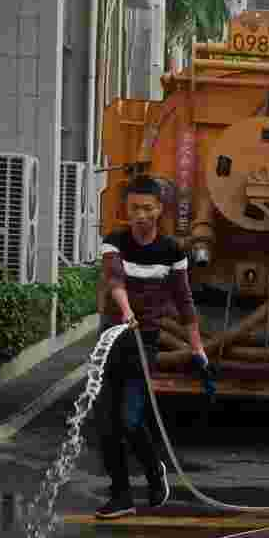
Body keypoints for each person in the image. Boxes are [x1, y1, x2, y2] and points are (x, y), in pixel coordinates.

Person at [95, 176, 210, 517]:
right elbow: (115, 279)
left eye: (147, 208)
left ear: (160, 210)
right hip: (112, 338)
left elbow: (184, 300)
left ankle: (154, 470)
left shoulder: (172, 251)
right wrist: (126, 310)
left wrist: (197, 348)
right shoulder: (114, 241)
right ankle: (121, 496)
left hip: (144, 343)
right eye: (134, 209)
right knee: (107, 423)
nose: (140, 215)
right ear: (125, 210)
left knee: (131, 420)